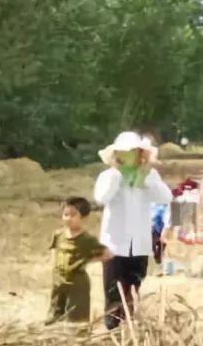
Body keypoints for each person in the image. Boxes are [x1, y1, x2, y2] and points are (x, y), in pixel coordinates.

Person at [94, 131, 172, 329]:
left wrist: (146, 177)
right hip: (114, 245)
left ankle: (128, 329)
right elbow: (101, 198)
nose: (130, 156)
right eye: (125, 152)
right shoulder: (108, 176)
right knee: (113, 292)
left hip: (139, 244)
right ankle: (112, 331)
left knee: (133, 291)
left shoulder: (149, 176)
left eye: (134, 152)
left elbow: (166, 197)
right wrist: (118, 174)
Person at [48, 197, 110, 323]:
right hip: (59, 281)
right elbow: (54, 249)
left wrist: (86, 261)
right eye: (66, 215)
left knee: (76, 318)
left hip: (77, 283)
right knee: (55, 313)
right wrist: (54, 266)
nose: (68, 218)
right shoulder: (58, 235)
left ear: (84, 217)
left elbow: (107, 254)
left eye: (73, 215)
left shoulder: (87, 240)